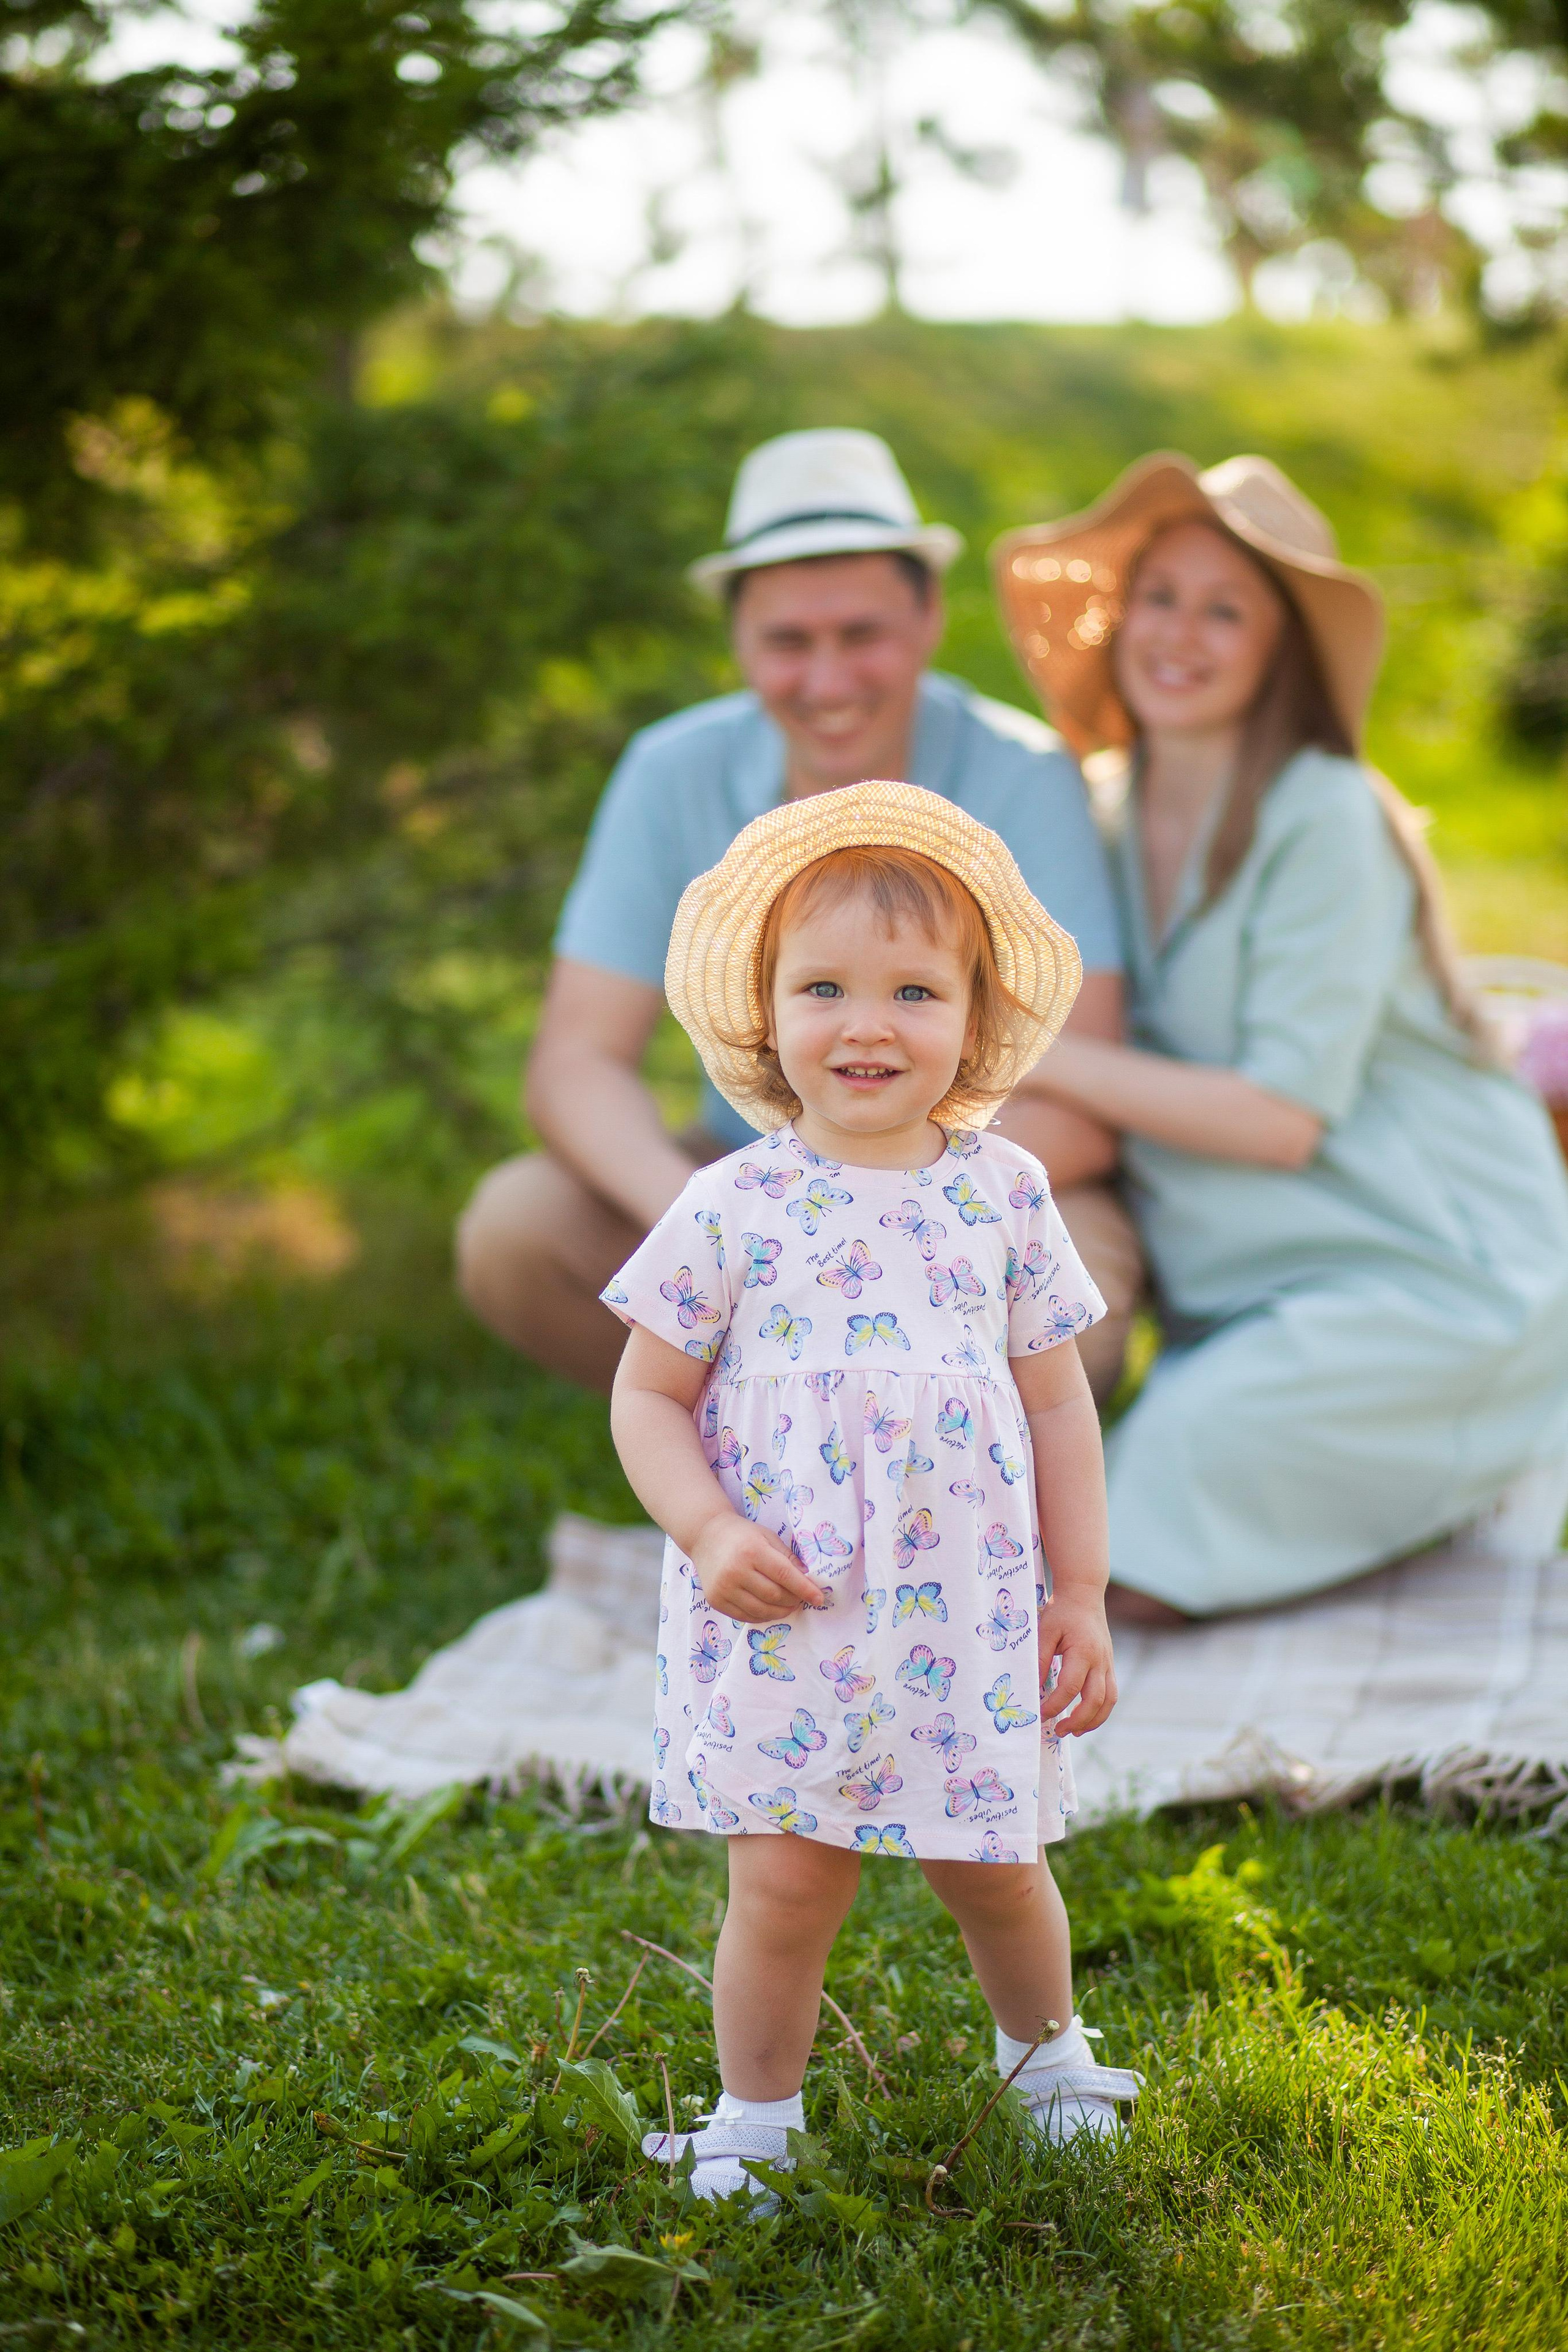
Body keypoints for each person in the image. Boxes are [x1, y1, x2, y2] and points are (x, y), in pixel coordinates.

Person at [601, 780, 1139, 2199]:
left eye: (914, 989)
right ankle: (756, 2121)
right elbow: (646, 1396)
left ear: (971, 1024)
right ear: (764, 1017)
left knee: (993, 1861)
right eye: (823, 987)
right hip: (784, 1612)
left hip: (963, 1612)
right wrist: (706, 1526)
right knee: (783, 1884)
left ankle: (1049, 2061)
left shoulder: (1003, 1194)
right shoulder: (733, 1204)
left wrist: (1076, 1589)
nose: (867, 1023)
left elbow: (1056, 1402)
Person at [992, 452, 1568, 1622]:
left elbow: (1276, 1120)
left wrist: (1018, 1044)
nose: (1179, 635)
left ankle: (1418, 1515)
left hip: (1431, 1279)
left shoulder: (1324, 812)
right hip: (1243, 1301)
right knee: (1056, 1530)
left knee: (1114, 1569)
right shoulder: (1096, 812)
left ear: (1279, 648)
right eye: (1159, 598)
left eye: (1225, 611)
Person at [456, 428, 1140, 1404]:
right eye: (787, 642)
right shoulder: (670, 769)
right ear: (737, 640)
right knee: (515, 1231)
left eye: (861, 634)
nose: (827, 682)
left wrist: (888, 1218)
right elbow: (574, 1064)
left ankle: (945, 1510)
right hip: (745, 1171)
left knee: (1084, 1318)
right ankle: (749, 1462)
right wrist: (720, 1228)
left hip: (976, 1180)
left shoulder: (1021, 772)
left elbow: (1081, 1098)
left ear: (930, 616)